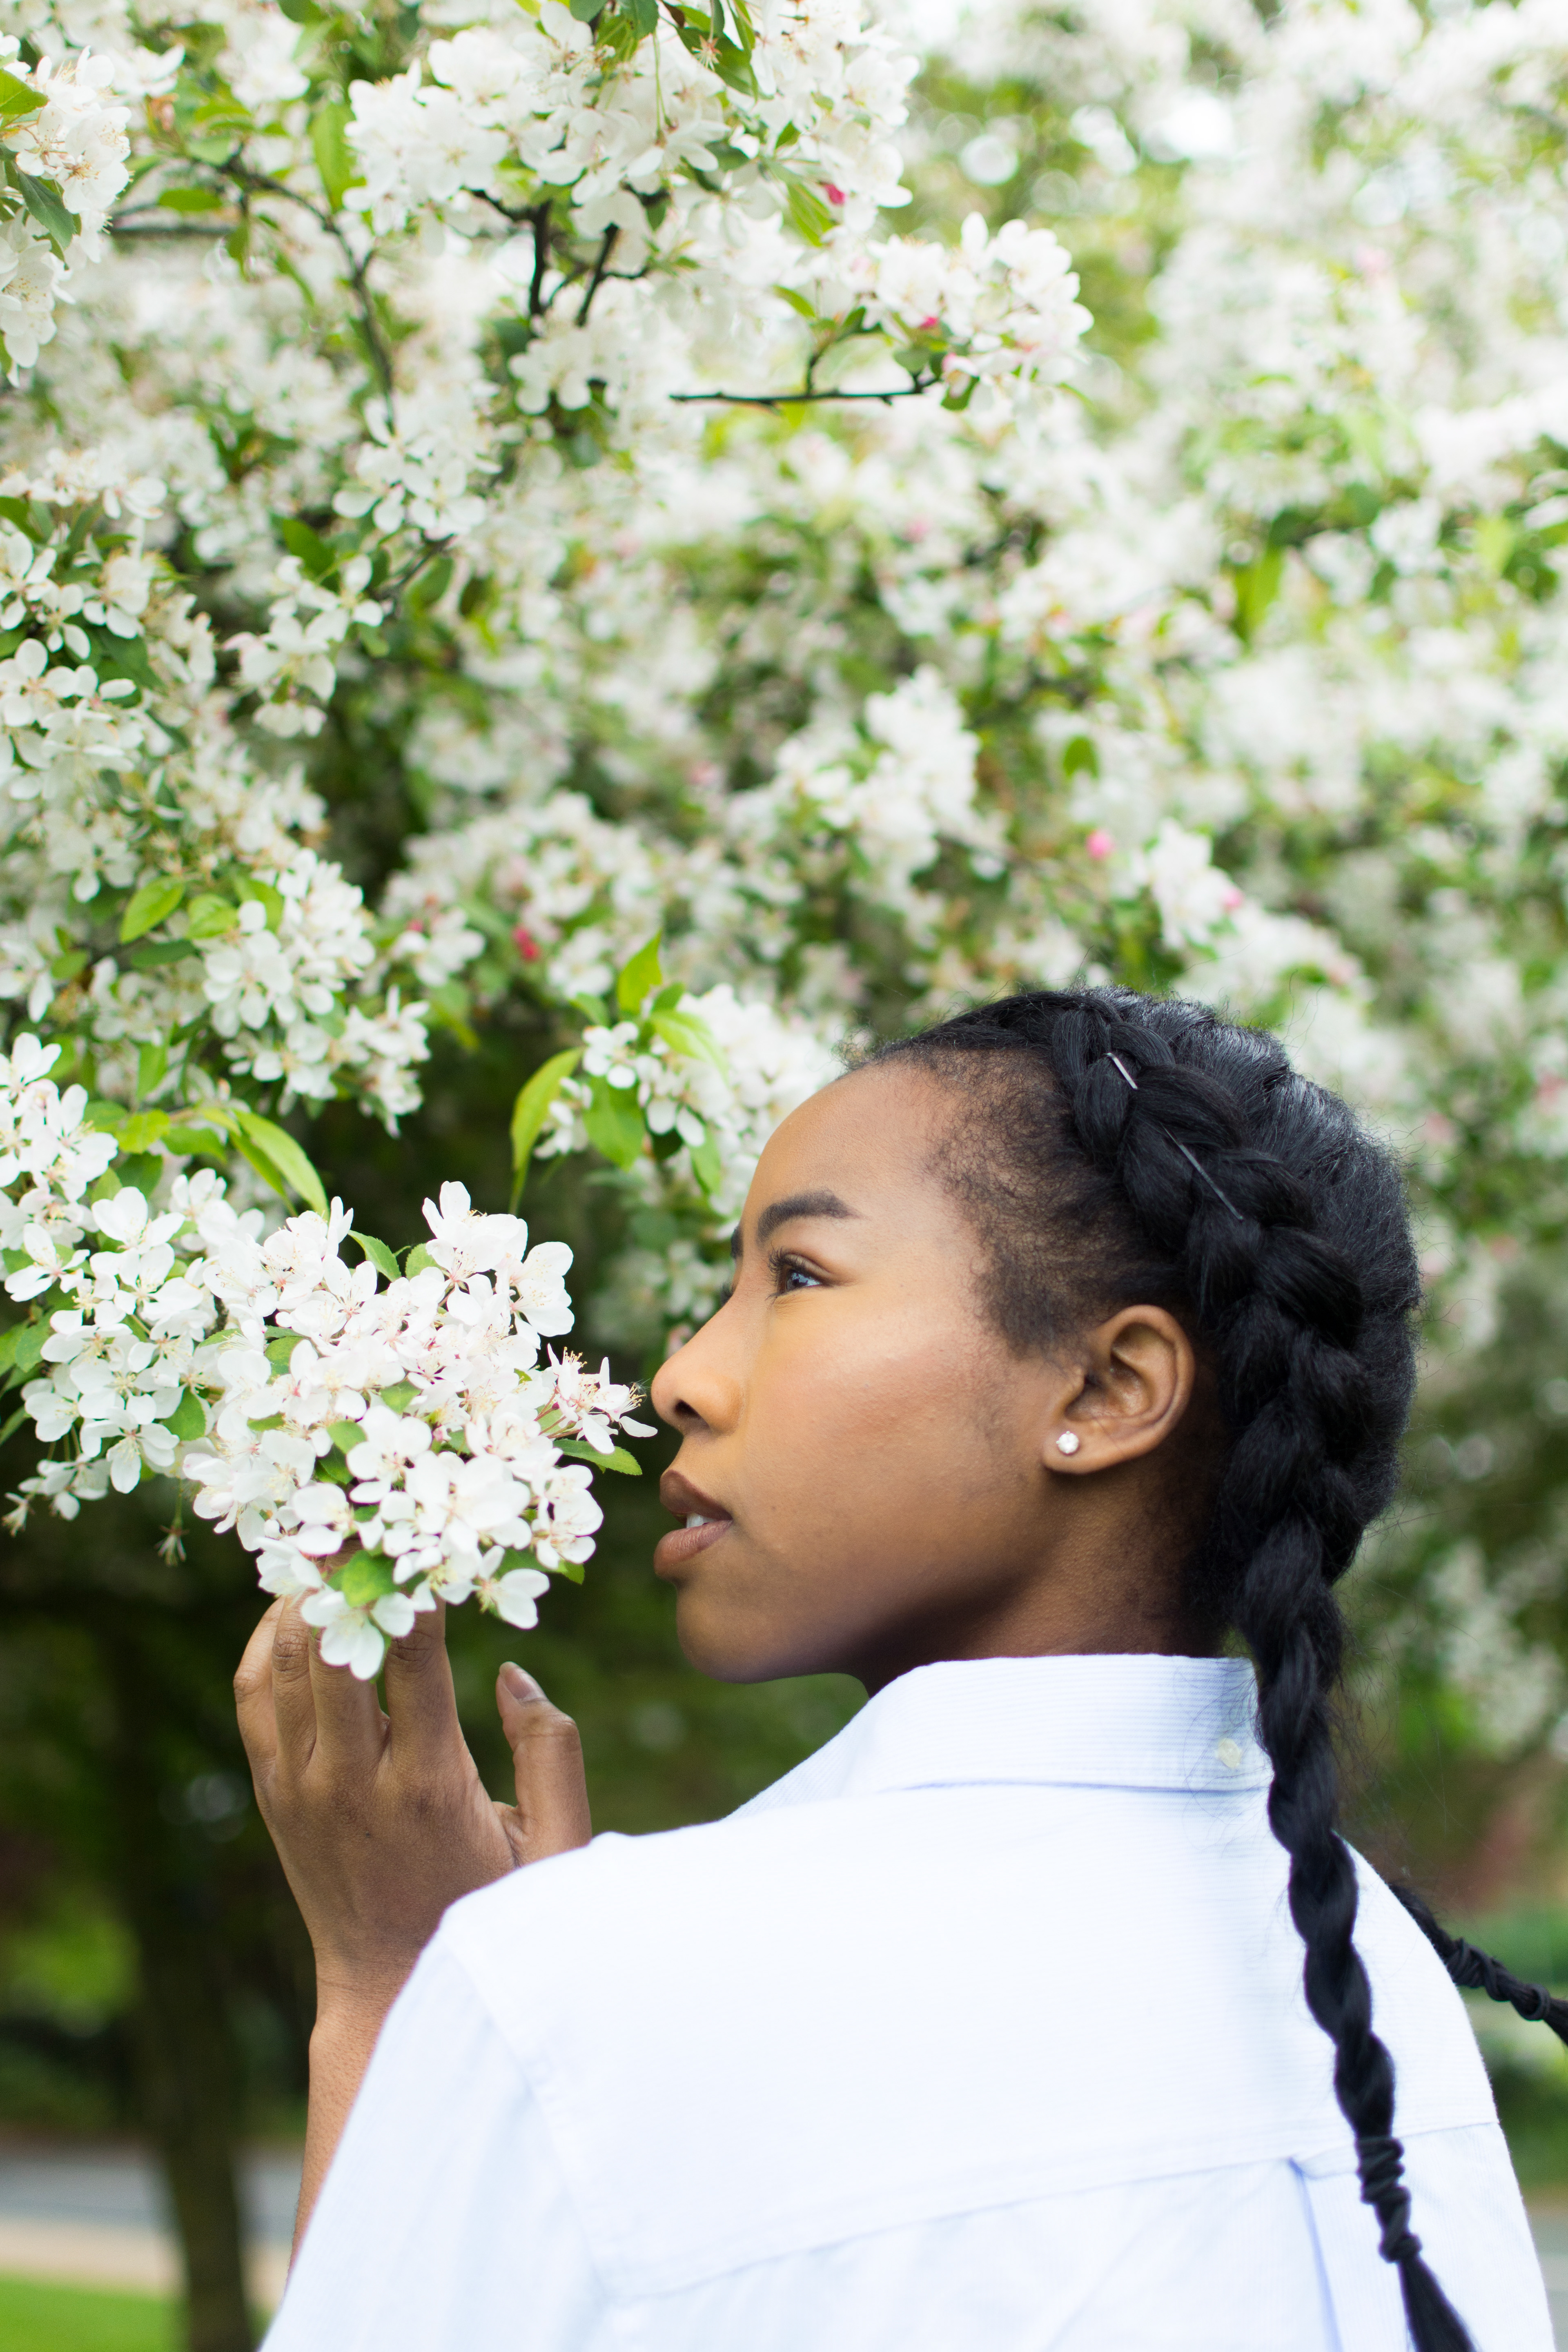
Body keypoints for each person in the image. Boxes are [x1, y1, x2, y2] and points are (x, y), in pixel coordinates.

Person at [240, 987, 1558, 2352]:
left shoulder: (593, 1986)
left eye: (797, 1276)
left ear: (1108, 1393)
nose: (681, 1375)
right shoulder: (1372, 1985)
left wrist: (398, 1986)